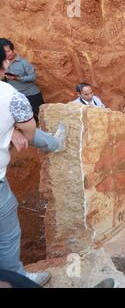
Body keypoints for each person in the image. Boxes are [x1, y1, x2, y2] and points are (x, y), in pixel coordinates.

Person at [0, 46, 67, 286]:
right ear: (4, 65)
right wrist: (15, 129)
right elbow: (29, 132)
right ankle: (17, 278)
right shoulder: (10, 96)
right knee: (7, 237)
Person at [0, 38, 44, 122]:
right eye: (4, 52)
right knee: (27, 119)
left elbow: (33, 77)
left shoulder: (23, 62)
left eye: (8, 51)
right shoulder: (2, 64)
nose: (7, 54)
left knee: (41, 117)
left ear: (13, 49)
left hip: (31, 94)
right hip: (17, 96)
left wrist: (17, 78)